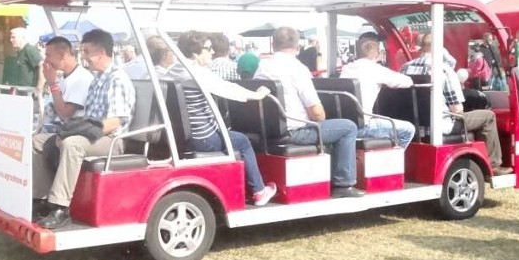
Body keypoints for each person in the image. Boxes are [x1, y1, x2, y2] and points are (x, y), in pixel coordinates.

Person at [33, 29, 136, 228]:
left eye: (87, 52)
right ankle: (41, 198)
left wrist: (77, 132)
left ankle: (60, 207)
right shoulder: (97, 79)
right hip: (96, 135)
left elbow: (115, 121)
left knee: (72, 144)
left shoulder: (117, 79)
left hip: (113, 140)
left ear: (101, 53)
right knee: (37, 141)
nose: (84, 57)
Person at [256, 27, 363, 197]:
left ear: (273, 44)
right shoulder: (297, 69)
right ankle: (344, 184)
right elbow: (317, 113)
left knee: (332, 127)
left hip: (267, 130)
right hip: (295, 131)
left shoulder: (262, 67)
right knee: (348, 127)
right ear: (297, 46)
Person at [174, 31, 277, 206]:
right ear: (194, 53)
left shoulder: (175, 71)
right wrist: (257, 95)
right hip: (203, 138)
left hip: (182, 137)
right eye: (208, 48)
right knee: (243, 141)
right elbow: (227, 89)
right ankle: (259, 191)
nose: (212, 52)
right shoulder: (196, 73)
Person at [401, 33, 512, 176]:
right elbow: (457, 109)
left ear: (422, 47)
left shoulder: (405, 68)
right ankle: (493, 164)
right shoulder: (444, 70)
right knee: (488, 116)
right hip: (442, 125)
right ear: (440, 48)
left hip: (415, 127)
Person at [339, 36, 415, 147]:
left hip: (345, 123)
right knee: (408, 129)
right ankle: (394, 162)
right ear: (377, 54)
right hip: (363, 126)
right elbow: (407, 82)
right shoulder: (376, 69)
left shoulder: (347, 68)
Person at [39, 36, 94, 131]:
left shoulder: (82, 79)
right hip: (60, 126)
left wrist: (52, 84)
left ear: (61, 56)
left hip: (74, 130)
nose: (45, 60)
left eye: (48, 55)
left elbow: (65, 115)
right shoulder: (65, 77)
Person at [9, 27, 44, 92]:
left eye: (13, 37)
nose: (11, 40)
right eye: (11, 37)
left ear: (23, 37)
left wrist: (39, 89)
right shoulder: (20, 52)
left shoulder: (29, 50)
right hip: (21, 94)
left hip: (29, 94)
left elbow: (42, 66)